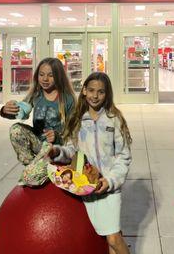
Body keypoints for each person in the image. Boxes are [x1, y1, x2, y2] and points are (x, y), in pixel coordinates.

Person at [49, 72, 132, 254]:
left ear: (107, 94)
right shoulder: (77, 120)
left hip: (108, 188)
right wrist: (57, 151)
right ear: (84, 91)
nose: (95, 96)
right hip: (86, 187)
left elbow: (123, 156)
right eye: (92, 90)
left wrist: (110, 181)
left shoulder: (114, 120)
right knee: (108, 237)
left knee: (113, 238)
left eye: (101, 92)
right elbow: (71, 150)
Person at [0, 57, 77, 185]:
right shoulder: (35, 95)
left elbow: (74, 133)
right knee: (15, 129)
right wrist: (6, 110)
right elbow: (20, 113)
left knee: (31, 178)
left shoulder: (68, 99)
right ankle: (33, 167)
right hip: (38, 144)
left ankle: (36, 171)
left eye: (50, 75)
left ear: (59, 76)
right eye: (41, 75)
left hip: (56, 148)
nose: (45, 79)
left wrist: (57, 136)